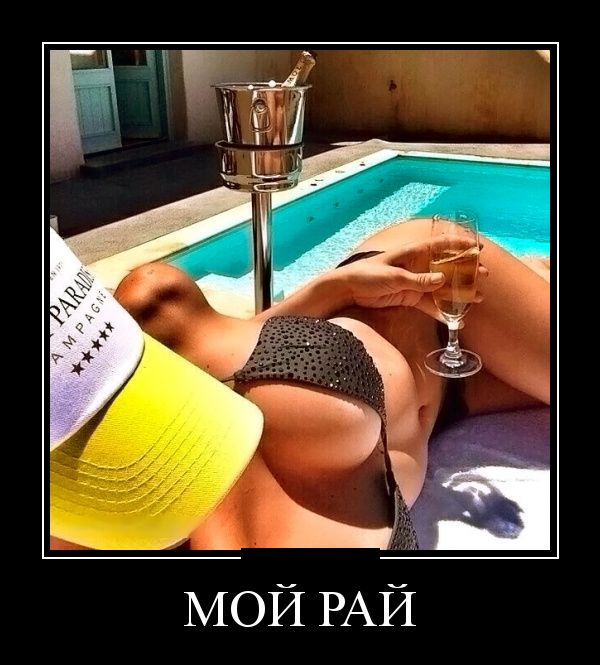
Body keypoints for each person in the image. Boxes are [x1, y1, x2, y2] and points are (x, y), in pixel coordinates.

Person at [49, 218, 550, 550]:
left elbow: (165, 306)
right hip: (453, 393)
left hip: (418, 289)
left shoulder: (140, 323)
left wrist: (333, 289)